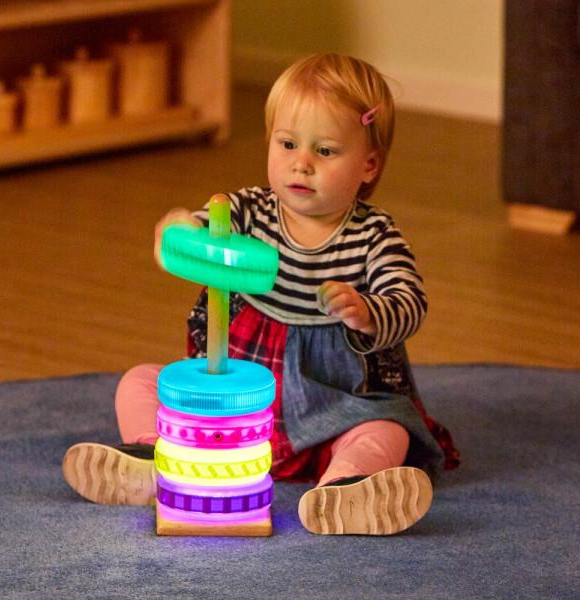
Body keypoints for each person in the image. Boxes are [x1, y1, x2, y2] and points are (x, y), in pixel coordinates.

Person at [63, 53, 459, 535]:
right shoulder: (249, 211)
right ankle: (154, 456)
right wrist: (178, 227)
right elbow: (199, 232)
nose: (302, 163)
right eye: (288, 143)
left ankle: (345, 489)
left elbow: (409, 300)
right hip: (237, 400)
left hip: (334, 403)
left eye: (326, 151)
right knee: (141, 382)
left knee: (387, 430)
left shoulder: (375, 236)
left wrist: (369, 311)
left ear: (369, 165)